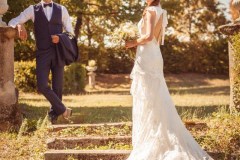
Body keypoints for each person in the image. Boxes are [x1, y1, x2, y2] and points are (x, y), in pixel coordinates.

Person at [125, 0, 214, 159]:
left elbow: (149, 36)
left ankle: (153, 137)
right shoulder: (161, 10)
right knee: (156, 96)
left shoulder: (150, 10)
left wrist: (131, 43)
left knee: (148, 97)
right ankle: (156, 133)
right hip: (154, 54)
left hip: (147, 55)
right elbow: (157, 39)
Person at [8, 0, 73, 123]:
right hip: (43, 54)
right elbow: (12, 21)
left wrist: (60, 37)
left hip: (59, 52)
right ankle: (64, 110)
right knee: (42, 85)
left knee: (57, 86)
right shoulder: (33, 9)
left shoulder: (62, 9)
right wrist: (19, 25)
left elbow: (70, 33)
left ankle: (54, 116)